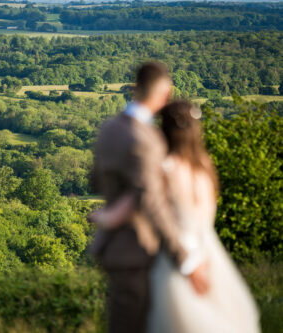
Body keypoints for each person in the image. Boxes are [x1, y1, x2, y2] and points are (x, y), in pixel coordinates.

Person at [91, 100, 260, 333]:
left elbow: (141, 199)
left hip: (176, 256)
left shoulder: (164, 168)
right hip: (208, 254)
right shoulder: (204, 168)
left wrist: (107, 217)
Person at [89, 62, 208, 333]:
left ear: (135, 88)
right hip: (137, 249)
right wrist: (185, 259)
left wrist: (113, 211)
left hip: (115, 247)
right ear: (164, 93)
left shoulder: (108, 129)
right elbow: (151, 202)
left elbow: (95, 180)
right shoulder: (145, 139)